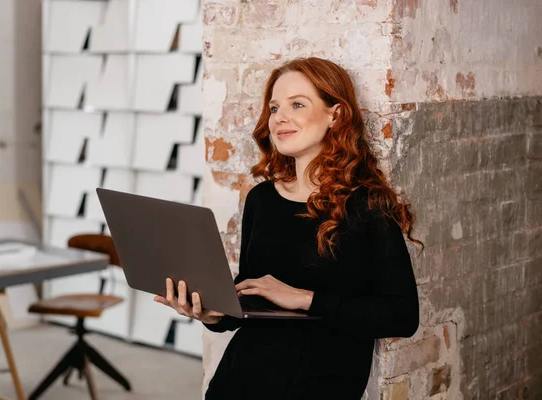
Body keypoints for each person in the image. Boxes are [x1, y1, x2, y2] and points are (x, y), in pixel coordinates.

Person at [153, 57, 422, 399]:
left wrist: (303, 299)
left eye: (297, 104)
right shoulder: (261, 199)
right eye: (274, 107)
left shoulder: (367, 207)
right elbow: (251, 296)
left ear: (335, 115)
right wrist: (213, 313)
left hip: (320, 387)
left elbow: (402, 316)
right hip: (239, 381)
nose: (279, 117)